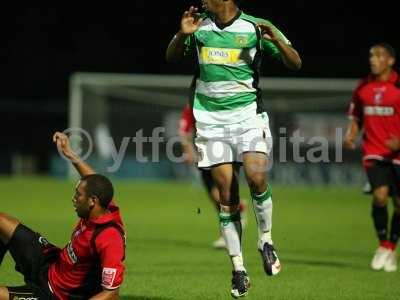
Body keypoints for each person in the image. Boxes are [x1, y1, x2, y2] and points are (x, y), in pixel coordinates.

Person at [167, 0, 301, 297]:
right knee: (226, 192)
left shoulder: (255, 26)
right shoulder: (198, 26)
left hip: (247, 117)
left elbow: (295, 62)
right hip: (211, 121)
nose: (203, 1)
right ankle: (238, 269)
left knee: (256, 177)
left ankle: (265, 239)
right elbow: (171, 56)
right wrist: (181, 34)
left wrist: (275, 40)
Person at [0, 131, 126, 299]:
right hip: (51, 262)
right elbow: (93, 180)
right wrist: (69, 153)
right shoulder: (104, 205)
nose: (73, 199)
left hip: (55, 294)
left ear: (92, 201)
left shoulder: (109, 238)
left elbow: (111, 293)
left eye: (78, 195)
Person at [344, 42, 400, 272]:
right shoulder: (363, 86)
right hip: (374, 150)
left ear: (390, 61)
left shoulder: (398, 85)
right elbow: (356, 115)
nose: (372, 59)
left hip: (397, 154)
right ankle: (382, 245)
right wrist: (352, 134)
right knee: (380, 197)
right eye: (371, 55)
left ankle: (390, 247)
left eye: (378, 56)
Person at [179, 104, 247, 249]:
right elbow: (184, 130)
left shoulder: (224, 100)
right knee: (215, 196)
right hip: (205, 153)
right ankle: (237, 211)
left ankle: (229, 233)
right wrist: (188, 150)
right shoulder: (193, 104)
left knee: (222, 192)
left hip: (227, 150)